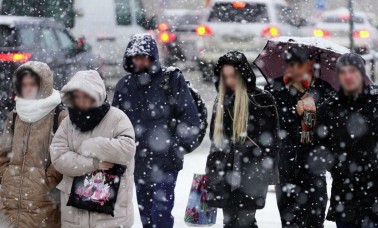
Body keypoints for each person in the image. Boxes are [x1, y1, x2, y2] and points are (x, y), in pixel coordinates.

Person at [112, 34, 200, 228]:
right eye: (135, 57)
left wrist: (176, 148)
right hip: (137, 163)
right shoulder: (124, 86)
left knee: (160, 214)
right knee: (146, 216)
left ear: (153, 56)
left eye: (144, 56)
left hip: (166, 163)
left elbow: (190, 118)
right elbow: (114, 124)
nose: (140, 61)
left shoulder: (171, 79)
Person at [315, 53, 378, 228]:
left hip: (376, 191)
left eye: (353, 71)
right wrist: (334, 164)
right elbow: (318, 142)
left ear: (362, 73)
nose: (348, 76)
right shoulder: (330, 106)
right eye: (343, 72)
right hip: (343, 191)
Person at [50, 70, 136, 227]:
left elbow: (127, 150)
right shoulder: (67, 123)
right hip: (74, 214)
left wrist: (92, 146)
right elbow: (58, 157)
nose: (81, 101)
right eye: (77, 96)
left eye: (86, 96)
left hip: (111, 213)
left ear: (97, 95)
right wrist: (92, 164)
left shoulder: (117, 118)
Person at [205, 51, 281, 228]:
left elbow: (273, 140)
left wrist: (261, 160)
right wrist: (211, 171)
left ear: (243, 75)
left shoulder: (261, 100)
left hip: (251, 172)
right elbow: (215, 140)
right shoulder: (222, 100)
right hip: (225, 171)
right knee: (229, 221)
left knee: (246, 220)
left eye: (233, 76)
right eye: (225, 77)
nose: (229, 81)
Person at [265, 46, 334, 228]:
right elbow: (270, 124)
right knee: (289, 223)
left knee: (314, 221)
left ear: (310, 65)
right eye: (291, 65)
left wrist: (313, 114)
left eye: (300, 65)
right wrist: (292, 113)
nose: (295, 70)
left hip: (314, 168)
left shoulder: (323, 90)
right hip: (285, 168)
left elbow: (331, 128)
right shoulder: (275, 89)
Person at [0, 61, 67, 227]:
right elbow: (3, 153)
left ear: (43, 85)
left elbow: (65, 155)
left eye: (33, 84)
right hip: (12, 201)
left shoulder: (59, 115)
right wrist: (7, 176)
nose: (28, 88)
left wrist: (46, 180)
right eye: (24, 84)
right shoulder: (15, 114)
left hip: (44, 203)